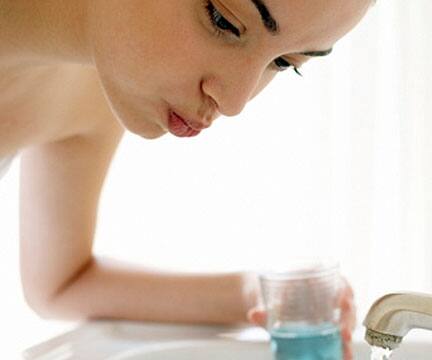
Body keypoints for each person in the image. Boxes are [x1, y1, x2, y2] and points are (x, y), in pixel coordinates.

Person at [0, 0, 371, 358]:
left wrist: (255, 295)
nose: (234, 101)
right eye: (223, 19)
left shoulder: (91, 87)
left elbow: (61, 283)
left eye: (284, 62)